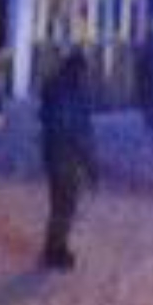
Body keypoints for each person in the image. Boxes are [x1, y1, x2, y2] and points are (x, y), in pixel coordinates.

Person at [38, 51, 98, 270]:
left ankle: (55, 246)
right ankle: (56, 249)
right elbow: (78, 130)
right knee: (65, 205)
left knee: (60, 205)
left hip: (55, 154)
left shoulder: (56, 90)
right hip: (66, 157)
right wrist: (89, 162)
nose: (86, 76)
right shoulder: (71, 94)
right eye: (83, 72)